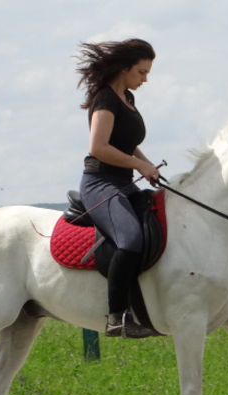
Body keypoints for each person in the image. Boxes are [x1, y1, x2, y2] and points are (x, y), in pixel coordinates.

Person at [75, 38, 162, 338]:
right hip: (100, 183)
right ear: (124, 69)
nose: (145, 79)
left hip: (125, 183)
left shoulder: (127, 97)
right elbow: (99, 148)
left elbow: (128, 144)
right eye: (141, 72)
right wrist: (139, 166)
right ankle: (116, 318)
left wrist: (148, 166)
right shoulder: (105, 100)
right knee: (130, 239)